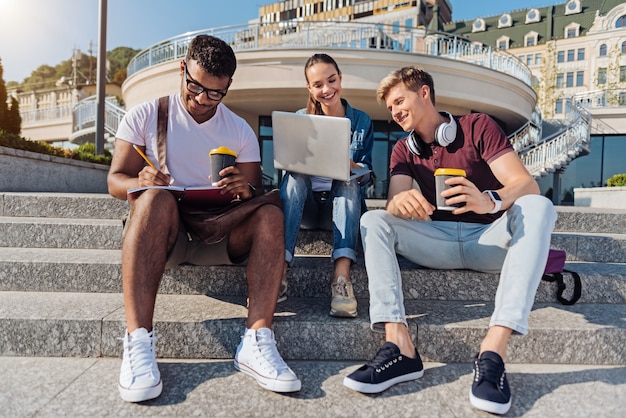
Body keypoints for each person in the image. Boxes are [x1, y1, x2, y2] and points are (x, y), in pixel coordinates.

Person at [343, 66, 556, 415]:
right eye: (390, 108)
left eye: (400, 101)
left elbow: (525, 184)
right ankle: (400, 347)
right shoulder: (403, 150)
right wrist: (400, 202)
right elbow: (395, 200)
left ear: (424, 92)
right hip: (437, 241)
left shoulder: (478, 126)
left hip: (490, 239)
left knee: (538, 205)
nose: (395, 112)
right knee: (374, 219)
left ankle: (493, 351)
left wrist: (489, 199)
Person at [107, 35, 301, 403]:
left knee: (271, 216)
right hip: (167, 233)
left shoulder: (240, 130)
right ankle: (138, 341)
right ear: (182, 68)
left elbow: (254, 195)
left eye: (215, 93)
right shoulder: (146, 115)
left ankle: (257, 339)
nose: (201, 100)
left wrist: (245, 188)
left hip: (222, 231)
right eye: (195, 86)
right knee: (153, 202)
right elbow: (115, 181)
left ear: (228, 87)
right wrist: (140, 180)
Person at [279, 53, 374, 318]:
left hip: (342, 205)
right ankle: (279, 272)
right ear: (309, 88)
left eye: (331, 80)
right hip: (307, 209)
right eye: (318, 84)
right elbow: (287, 177)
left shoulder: (362, 121)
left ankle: (341, 279)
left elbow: (367, 175)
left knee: (347, 181)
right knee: (295, 176)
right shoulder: (300, 119)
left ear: (340, 78)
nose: (326, 89)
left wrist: (356, 168)